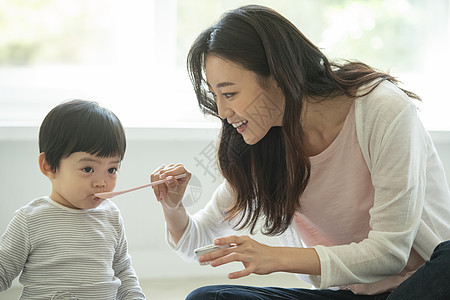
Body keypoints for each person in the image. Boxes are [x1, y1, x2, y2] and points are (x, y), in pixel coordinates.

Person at [151, 4, 450, 300]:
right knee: (207, 298)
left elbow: (390, 253)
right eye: (216, 96)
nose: (222, 111)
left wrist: (276, 257)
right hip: (345, 294)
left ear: (278, 76)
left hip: (422, 283)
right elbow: (197, 243)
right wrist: (173, 206)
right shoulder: (261, 144)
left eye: (229, 94)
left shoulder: (382, 109)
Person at [0, 100, 146, 299]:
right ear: (48, 166)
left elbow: (122, 270)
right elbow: (2, 269)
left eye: (112, 169)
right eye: (88, 169)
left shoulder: (111, 215)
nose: (101, 182)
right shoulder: (30, 220)